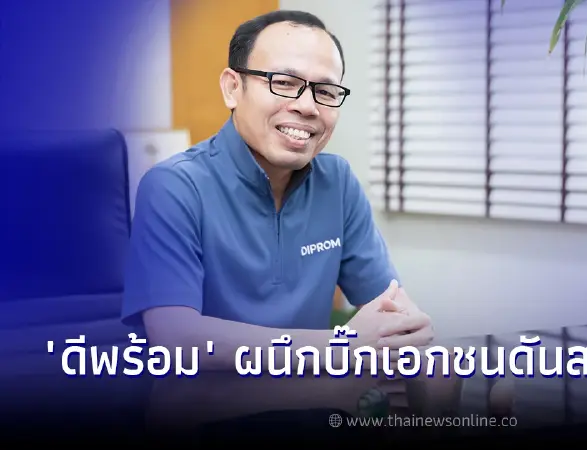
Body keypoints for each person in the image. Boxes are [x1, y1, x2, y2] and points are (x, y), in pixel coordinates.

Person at [121, 10, 435, 377]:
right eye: (284, 82)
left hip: (312, 400)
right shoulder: (173, 186)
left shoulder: (337, 182)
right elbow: (176, 339)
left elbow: (394, 311)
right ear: (232, 88)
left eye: (325, 91)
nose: (307, 106)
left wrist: (411, 332)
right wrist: (339, 347)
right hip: (205, 405)